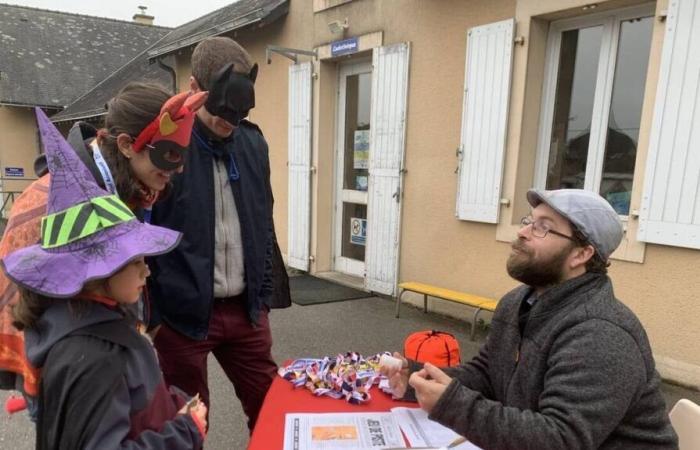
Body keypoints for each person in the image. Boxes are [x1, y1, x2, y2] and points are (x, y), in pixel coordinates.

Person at [382, 189, 679, 449]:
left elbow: (559, 439)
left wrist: (452, 404)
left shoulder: (601, 333)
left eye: (543, 228)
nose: (522, 232)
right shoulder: (518, 302)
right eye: (529, 221)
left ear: (581, 255)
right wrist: (419, 378)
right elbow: (489, 374)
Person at [1, 108, 207, 449]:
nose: (147, 270)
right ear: (98, 271)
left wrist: (171, 407)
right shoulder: (98, 360)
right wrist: (184, 432)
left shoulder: (92, 328)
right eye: (136, 260)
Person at [147, 36, 289, 430]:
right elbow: (142, 231)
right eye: (222, 112)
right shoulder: (165, 144)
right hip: (182, 319)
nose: (230, 123)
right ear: (194, 88)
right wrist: (156, 315)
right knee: (188, 425)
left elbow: (264, 222)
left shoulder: (253, 143)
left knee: (273, 413)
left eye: (239, 114)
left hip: (246, 313)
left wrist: (260, 301)